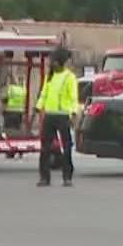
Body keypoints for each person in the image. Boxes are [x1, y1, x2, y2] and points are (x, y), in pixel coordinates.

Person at [37, 48, 79, 187]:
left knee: (66, 147)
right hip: (49, 115)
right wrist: (38, 108)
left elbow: (73, 97)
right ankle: (44, 177)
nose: (50, 63)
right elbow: (44, 93)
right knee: (45, 148)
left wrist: (73, 113)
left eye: (53, 61)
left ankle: (67, 177)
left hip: (63, 116)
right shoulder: (50, 76)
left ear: (59, 62)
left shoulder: (69, 77)